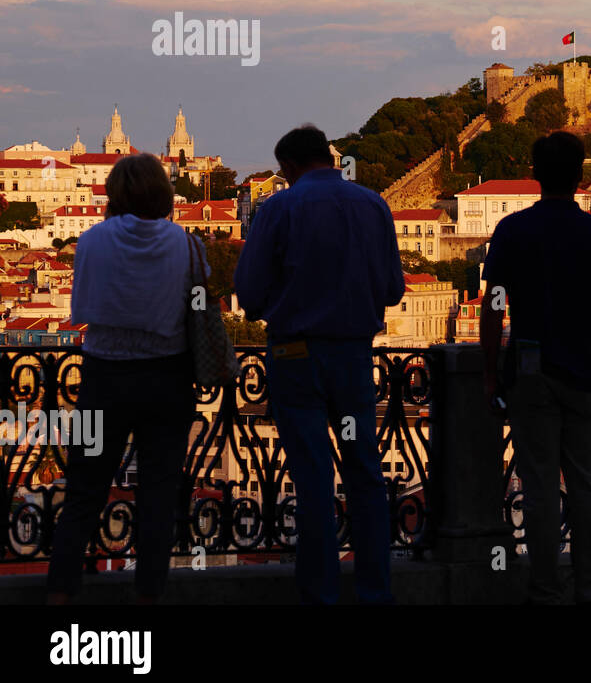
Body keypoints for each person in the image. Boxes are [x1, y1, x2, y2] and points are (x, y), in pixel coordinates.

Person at [234, 124, 404, 604]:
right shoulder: (373, 205)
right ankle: (375, 591)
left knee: (312, 479)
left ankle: (321, 595)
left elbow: (247, 291)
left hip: (296, 357)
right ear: (329, 159)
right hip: (352, 356)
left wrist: (280, 302)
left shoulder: (279, 208)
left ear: (287, 167)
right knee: (365, 475)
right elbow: (393, 289)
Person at [481, 131, 591, 604]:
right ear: (579, 175)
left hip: (531, 374)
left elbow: (494, 307)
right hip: (589, 373)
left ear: (534, 174)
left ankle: (545, 589)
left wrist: (491, 372)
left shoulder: (511, 230)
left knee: (541, 488)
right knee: (587, 486)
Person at [48, 153, 204, 604]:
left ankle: (60, 594)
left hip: (104, 380)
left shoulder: (92, 241)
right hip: (167, 381)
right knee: (157, 495)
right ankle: (148, 598)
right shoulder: (187, 244)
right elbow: (197, 305)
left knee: (83, 490)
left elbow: (81, 307)